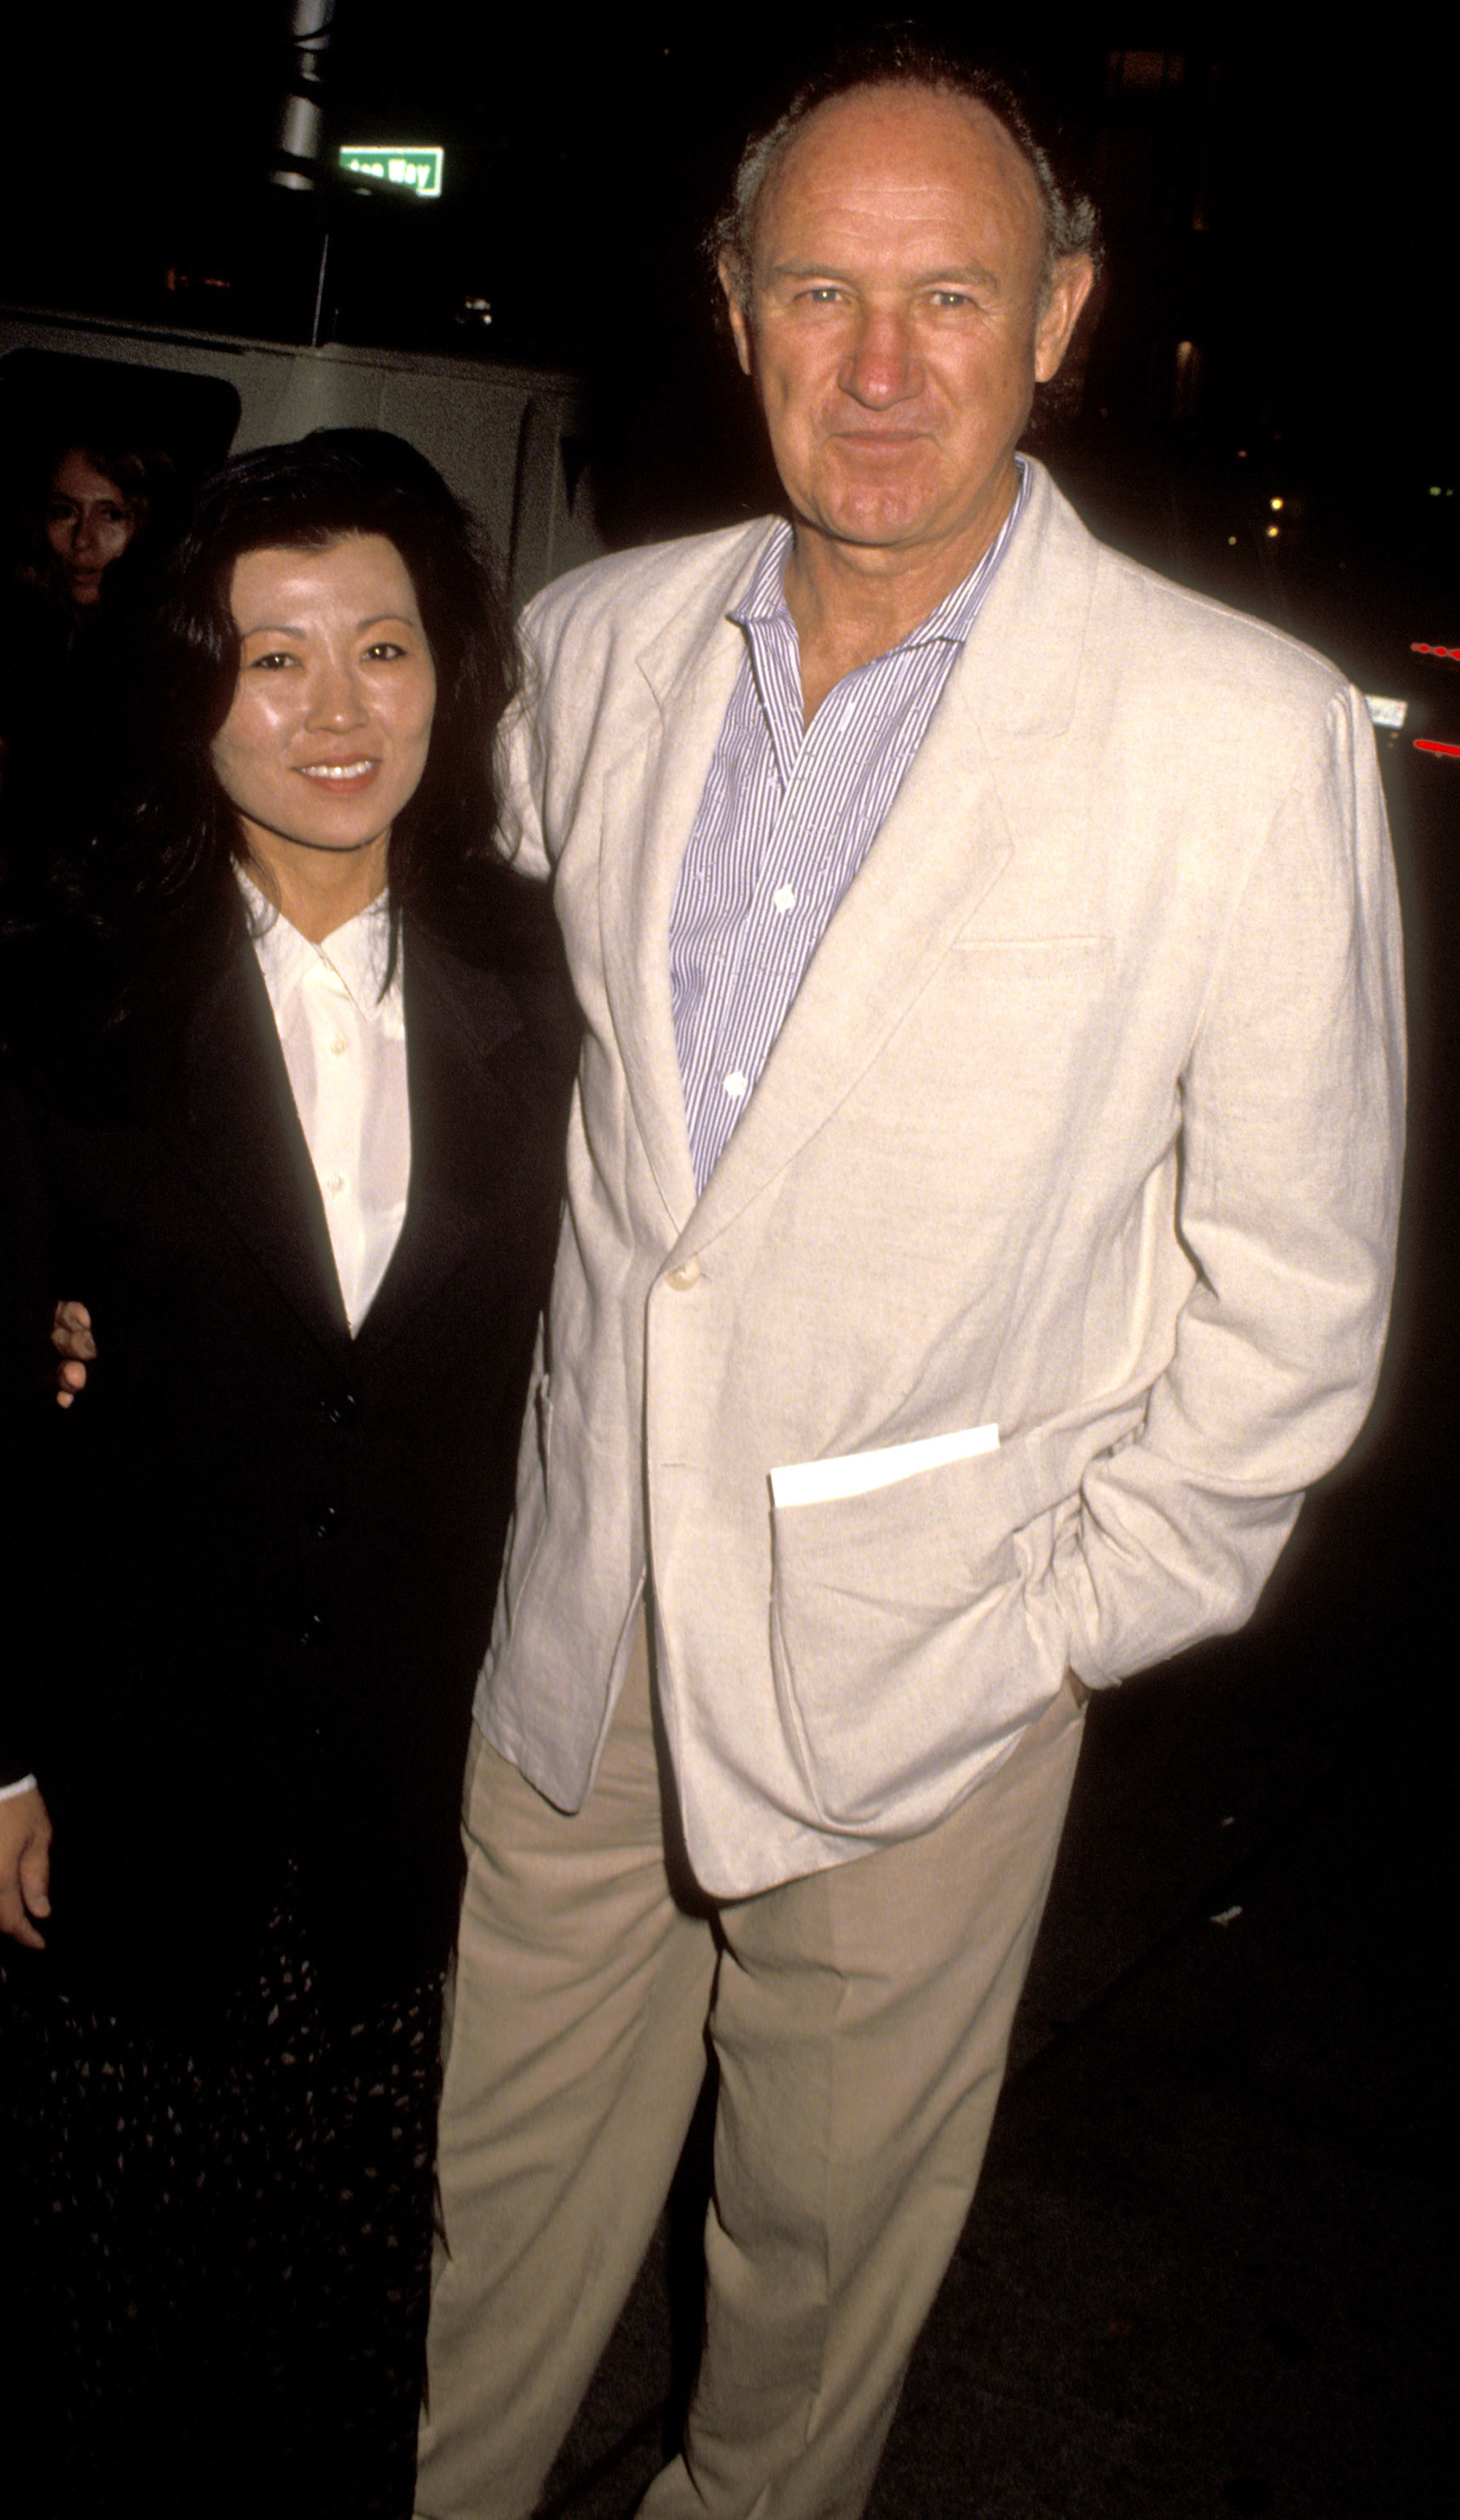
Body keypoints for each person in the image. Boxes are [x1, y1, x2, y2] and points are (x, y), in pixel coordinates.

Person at [408, 38, 1405, 2520]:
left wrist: (1061, 1615)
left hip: (924, 1656)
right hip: (575, 1622)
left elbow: (1291, 1287)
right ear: (728, 304)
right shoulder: (598, 646)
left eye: (943, 295)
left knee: (803, 2302)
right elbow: (455, 1059)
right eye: (817, 290)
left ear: (1054, 313)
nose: (875, 362)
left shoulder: (1227, 736)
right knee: (462, 2246)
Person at [0, 429, 576, 2517]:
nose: (339, 710)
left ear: (454, 670)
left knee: (317, 2353)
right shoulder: (52, 988)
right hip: (118, 1778)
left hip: (390, 1799)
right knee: (81, 2352)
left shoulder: (535, 977)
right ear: (190, 684)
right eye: (273, 660)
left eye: (383, 648)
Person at [0, 436, 173, 899]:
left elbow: (130, 848)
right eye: (64, 511)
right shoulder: (28, 654)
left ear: (146, 525)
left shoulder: (166, 661)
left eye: (111, 515)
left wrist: (11, 793)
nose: (82, 540)